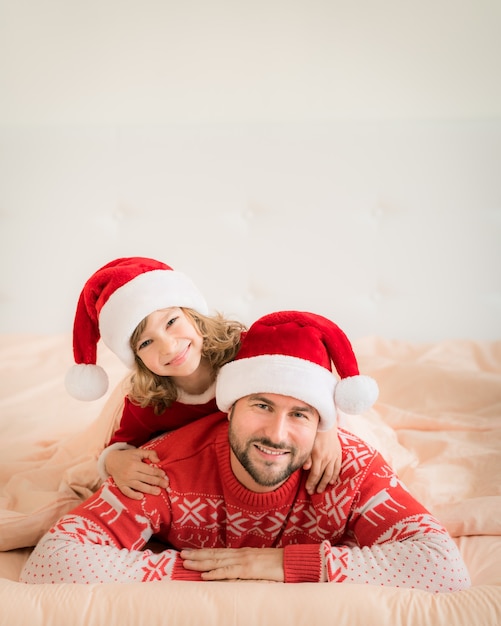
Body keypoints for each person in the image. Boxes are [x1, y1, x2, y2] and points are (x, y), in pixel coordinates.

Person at [20, 311, 470, 591]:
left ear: (320, 423)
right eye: (260, 405)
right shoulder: (163, 469)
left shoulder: (348, 468)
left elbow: (443, 568)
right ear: (229, 406)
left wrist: (276, 564)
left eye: (300, 414)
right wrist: (214, 570)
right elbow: (53, 561)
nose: (276, 434)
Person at [64, 258, 341, 499]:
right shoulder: (149, 402)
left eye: (172, 322)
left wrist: (327, 430)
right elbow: (120, 444)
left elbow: (305, 381)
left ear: (194, 315)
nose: (169, 347)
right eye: (146, 343)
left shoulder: (248, 354)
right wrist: (113, 462)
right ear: (136, 358)